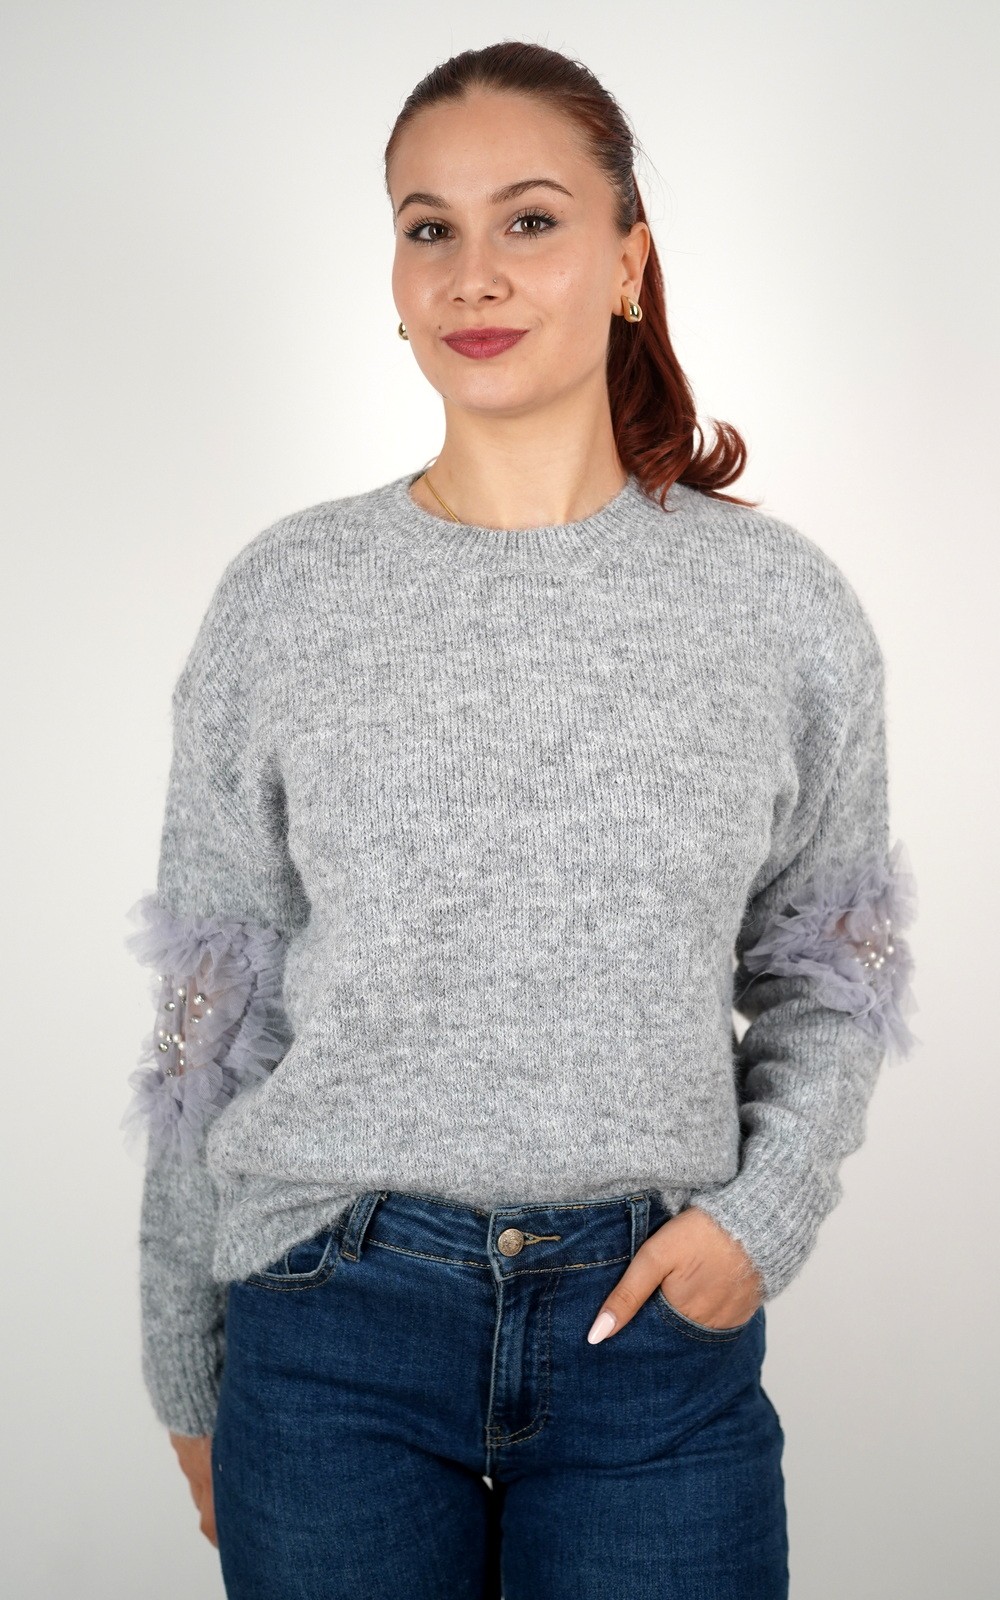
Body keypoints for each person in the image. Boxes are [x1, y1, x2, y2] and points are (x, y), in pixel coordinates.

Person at [122, 39, 918, 1600]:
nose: (473, 273)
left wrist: (764, 1215)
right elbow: (210, 1009)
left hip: (653, 1341)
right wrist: (184, 1360)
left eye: (532, 220)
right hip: (329, 1330)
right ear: (394, 276)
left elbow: (835, 971)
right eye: (430, 227)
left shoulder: (778, 606)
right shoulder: (288, 596)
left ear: (627, 264)